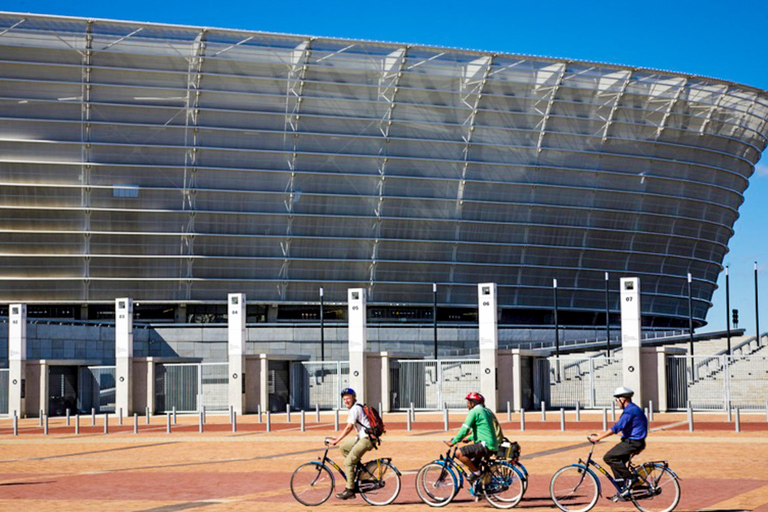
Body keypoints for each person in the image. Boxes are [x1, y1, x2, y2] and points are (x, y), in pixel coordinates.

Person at [588, 386, 648, 499]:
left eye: (617, 399)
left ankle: (632, 479)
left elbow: (617, 427)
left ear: (623, 399)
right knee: (616, 463)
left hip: (633, 443)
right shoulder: (632, 409)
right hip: (633, 442)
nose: (616, 402)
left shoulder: (630, 411)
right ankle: (623, 490)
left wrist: (599, 437)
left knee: (609, 457)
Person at [444, 392, 500, 483]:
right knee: (472, 464)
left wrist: (454, 441)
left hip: (484, 445)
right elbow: (483, 430)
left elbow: (465, 429)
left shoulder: (474, 411)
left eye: (468, 403)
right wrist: (469, 438)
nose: (467, 405)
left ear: (472, 403)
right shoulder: (486, 411)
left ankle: (478, 473)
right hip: (492, 444)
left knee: (459, 453)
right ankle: (481, 489)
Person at [330, 387, 375, 500]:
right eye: (344, 399)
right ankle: (357, 469)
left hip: (366, 439)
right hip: (362, 437)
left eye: (348, 398)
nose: (346, 401)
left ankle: (350, 490)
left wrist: (337, 440)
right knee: (344, 448)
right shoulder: (356, 407)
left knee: (348, 463)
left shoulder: (355, 409)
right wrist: (339, 440)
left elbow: (349, 427)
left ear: (353, 398)